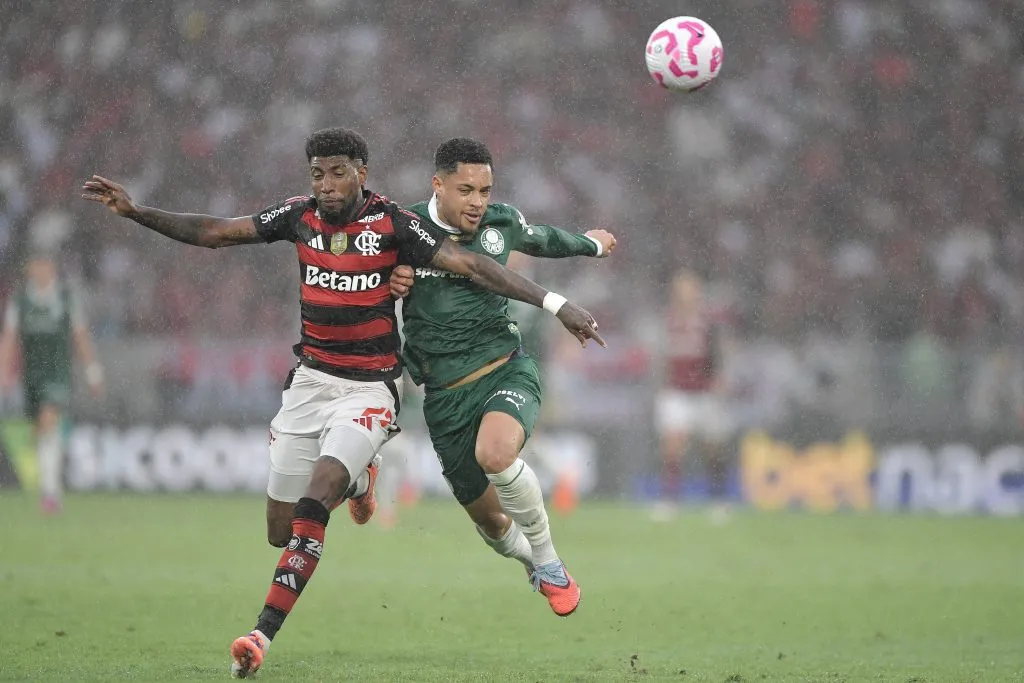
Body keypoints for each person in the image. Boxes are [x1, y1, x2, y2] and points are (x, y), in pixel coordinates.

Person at [80, 127, 603, 678]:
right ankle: (360, 479)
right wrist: (135, 211)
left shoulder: (396, 225)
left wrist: (555, 302)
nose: (326, 186)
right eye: (317, 175)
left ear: (361, 173)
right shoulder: (296, 216)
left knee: (327, 496)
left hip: (370, 387)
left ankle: (261, 634)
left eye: (337, 173)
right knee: (280, 532)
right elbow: (215, 232)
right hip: (310, 383)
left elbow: (473, 266)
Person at [388, 137, 616, 617]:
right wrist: (391, 281)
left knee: (495, 452)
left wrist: (591, 245)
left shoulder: (500, 222)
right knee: (493, 528)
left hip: (503, 369)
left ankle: (550, 561)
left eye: (485, 191)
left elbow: (544, 239)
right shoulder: (402, 226)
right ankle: (532, 561)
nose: (478, 202)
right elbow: (361, 271)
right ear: (438, 184)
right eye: (466, 190)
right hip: (443, 397)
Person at [0, 251, 105, 514]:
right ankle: (49, 481)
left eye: (44, 265)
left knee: (49, 419)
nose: (39, 270)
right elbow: (9, 339)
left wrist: (93, 372)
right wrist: (3, 373)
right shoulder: (20, 301)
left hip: (57, 374)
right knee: (41, 430)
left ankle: (50, 492)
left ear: (52, 268)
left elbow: (80, 337)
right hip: (31, 376)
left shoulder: (67, 299)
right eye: (35, 266)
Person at [652, 269, 732, 521]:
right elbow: (660, 357)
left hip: (704, 392)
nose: (684, 294)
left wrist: (718, 379)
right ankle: (670, 500)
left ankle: (718, 501)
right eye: (680, 289)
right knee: (672, 446)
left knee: (712, 447)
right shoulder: (668, 320)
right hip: (676, 391)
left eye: (689, 289)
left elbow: (718, 352)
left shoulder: (707, 321)